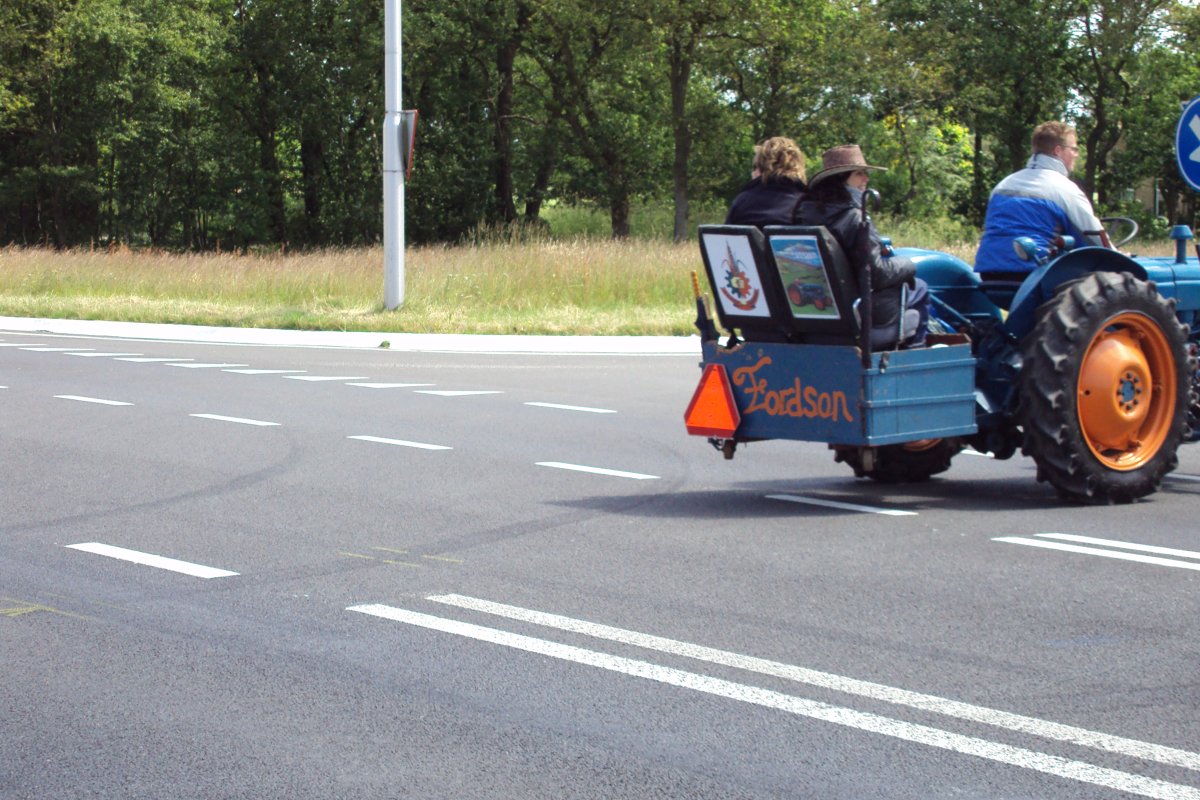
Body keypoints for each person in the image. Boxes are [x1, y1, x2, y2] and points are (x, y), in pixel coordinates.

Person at [795, 144, 929, 346]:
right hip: (860, 311)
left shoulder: (802, 216)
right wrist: (908, 264)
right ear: (841, 179)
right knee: (920, 287)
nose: (866, 179)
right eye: (859, 174)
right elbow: (877, 274)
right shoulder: (855, 219)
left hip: (820, 314)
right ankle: (916, 357)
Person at [974, 121, 1109, 278]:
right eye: (1074, 149)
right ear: (1058, 151)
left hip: (988, 275)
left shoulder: (1003, 185)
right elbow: (1095, 238)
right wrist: (1119, 258)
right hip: (1034, 276)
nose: (1076, 154)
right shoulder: (1064, 189)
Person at [725, 137, 807, 227]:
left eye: (755, 167)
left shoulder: (741, 202)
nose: (752, 173)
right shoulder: (807, 203)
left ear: (762, 168)